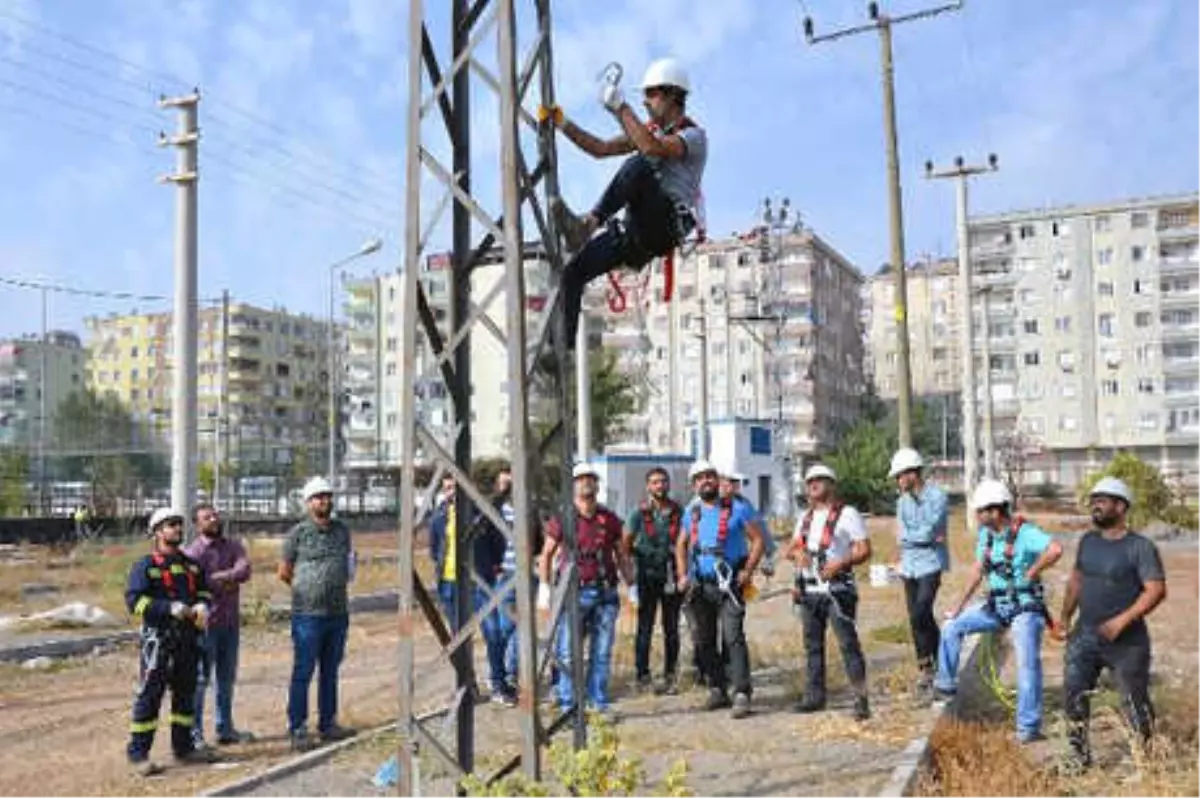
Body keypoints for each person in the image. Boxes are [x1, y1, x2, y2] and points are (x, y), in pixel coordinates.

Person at [539, 58, 707, 350]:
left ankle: (588, 224)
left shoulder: (693, 137)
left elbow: (651, 149)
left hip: (664, 225)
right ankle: (561, 352)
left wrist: (620, 107)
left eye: (651, 94)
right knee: (573, 272)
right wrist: (562, 122)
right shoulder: (650, 132)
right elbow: (601, 149)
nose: (645, 102)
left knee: (640, 165)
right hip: (636, 235)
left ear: (672, 95)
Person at [934, 479, 1063, 743]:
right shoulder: (986, 536)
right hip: (996, 605)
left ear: (995, 511)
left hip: (1025, 608)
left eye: (981, 511)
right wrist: (958, 606)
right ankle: (945, 686)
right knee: (951, 627)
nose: (977, 516)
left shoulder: (1026, 534)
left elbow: (1055, 549)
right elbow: (977, 571)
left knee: (1027, 663)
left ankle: (1028, 727)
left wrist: (1033, 571)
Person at [1058, 477, 1167, 772]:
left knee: (1134, 701)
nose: (1095, 505)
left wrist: (1121, 621)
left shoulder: (1140, 547)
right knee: (1073, 695)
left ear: (1121, 506)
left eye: (1102, 500)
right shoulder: (1088, 541)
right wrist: (1065, 617)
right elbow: (1076, 581)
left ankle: (1146, 762)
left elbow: (1155, 590)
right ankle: (1078, 757)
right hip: (1085, 636)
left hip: (1127, 643)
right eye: (1093, 500)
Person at [124, 507, 215, 776]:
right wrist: (167, 608)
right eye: (170, 524)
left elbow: (204, 591)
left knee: (185, 697)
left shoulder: (191, 565)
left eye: (178, 524)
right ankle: (139, 753)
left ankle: (184, 748)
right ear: (157, 531)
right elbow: (134, 602)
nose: (177, 528)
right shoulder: (145, 567)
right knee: (150, 697)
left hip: (188, 640)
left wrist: (202, 605)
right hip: (158, 643)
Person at [538, 462, 628, 718]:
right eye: (581, 479)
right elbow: (546, 554)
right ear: (573, 486)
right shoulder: (563, 518)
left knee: (601, 652)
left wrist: (632, 586)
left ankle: (598, 702)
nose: (586, 483)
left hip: (606, 593)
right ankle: (569, 705)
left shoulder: (609, 519)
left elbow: (622, 555)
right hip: (574, 594)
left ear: (597, 485)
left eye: (591, 479)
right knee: (567, 651)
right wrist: (544, 588)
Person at [676, 460, 765, 719]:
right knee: (703, 639)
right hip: (701, 585)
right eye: (700, 478)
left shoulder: (738, 510)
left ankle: (741, 692)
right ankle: (717, 687)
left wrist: (748, 570)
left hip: (730, 585)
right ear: (694, 485)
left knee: (732, 637)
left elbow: (757, 540)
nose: (706, 481)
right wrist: (682, 574)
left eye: (709, 477)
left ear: (717, 480)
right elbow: (681, 545)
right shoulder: (691, 514)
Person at [787, 464, 872, 720]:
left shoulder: (847, 514)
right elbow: (791, 548)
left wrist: (841, 562)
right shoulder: (805, 518)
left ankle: (861, 698)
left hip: (837, 590)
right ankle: (815, 696)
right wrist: (797, 553)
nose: (813, 485)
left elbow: (864, 550)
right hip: (809, 590)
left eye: (820, 480)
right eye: (810, 481)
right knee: (812, 646)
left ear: (831, 485)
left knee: (848, 644)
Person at [278, 477, 357, 751]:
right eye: (317, 497)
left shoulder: (342, 531)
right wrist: (307, 588)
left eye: (327, 496)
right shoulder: (297, 534)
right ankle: (297, 726)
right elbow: (284, 572)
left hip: (337, 613)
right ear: (308, 503)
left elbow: (349, 563)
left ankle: (328, 723)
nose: (323, 501)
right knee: (303, 671)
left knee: (330, 671)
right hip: (308, 616)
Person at [183, 503, 254, 749]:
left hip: (230, 623)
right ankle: (195, 734)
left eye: (214, 515)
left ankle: (225, 729)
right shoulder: (193, 553)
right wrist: (226, 579)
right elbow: (194, 585)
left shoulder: (233, 546)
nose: (214, 519)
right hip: (205, 626)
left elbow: (244, 570)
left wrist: (217, 578)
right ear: (197, 524)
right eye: (207, 517)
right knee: (201, 681)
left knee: (226, 678)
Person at [890, 447, 949, 693]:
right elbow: (902, 535)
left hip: (931, 563)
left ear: (913, 473)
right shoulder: (902, 502)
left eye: (900, 475)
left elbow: (930, 532)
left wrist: (917, 537)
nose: (898, 481)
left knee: (922, 610)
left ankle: (940, 658)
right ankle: (926, 667)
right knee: (916, 617)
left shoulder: (937, 497)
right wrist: (917, 537)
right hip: (909, 565)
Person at [622, 467, 685, 695]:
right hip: (647, 576)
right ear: (648, 486)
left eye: (663, 481)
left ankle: (671, 674)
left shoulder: (678, 511)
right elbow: (625, 544)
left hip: (671, 575)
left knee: (672, 628)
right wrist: (629, 577)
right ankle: (642, 674)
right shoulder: (638, 513)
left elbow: (686, 540)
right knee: (645, 627)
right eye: (655, 482)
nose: (660, 486)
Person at [428, 474, 466, 629]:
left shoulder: (472, 512)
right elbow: (434, 548)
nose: (451, 493)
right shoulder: (439, 516)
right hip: (447, 578)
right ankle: (457, 651)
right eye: (447, 489)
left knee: (466, 623)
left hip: (468, 578)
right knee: (454, 625)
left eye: (453, 488)